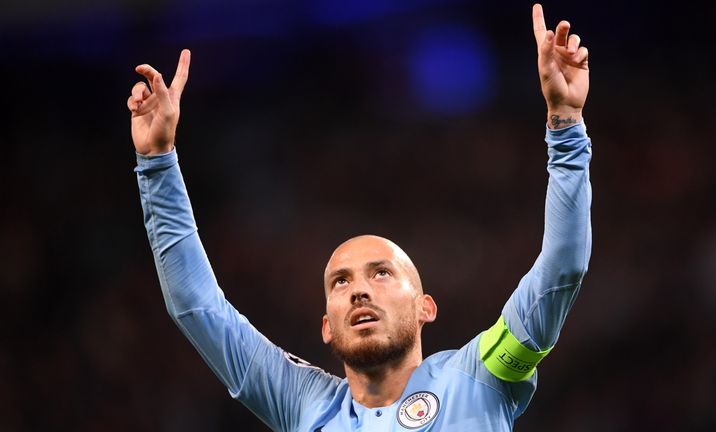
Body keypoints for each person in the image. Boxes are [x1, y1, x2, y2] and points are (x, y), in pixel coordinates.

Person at [127, 4, 591, 430]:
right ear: (327, 325)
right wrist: (157, 162)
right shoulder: (302, 402)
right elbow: (196, 306)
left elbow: (561, 268)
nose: (359, 290)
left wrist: (566, 123)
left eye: (382, 273)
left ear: (425, 306)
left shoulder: (482, 374)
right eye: (340, 282)